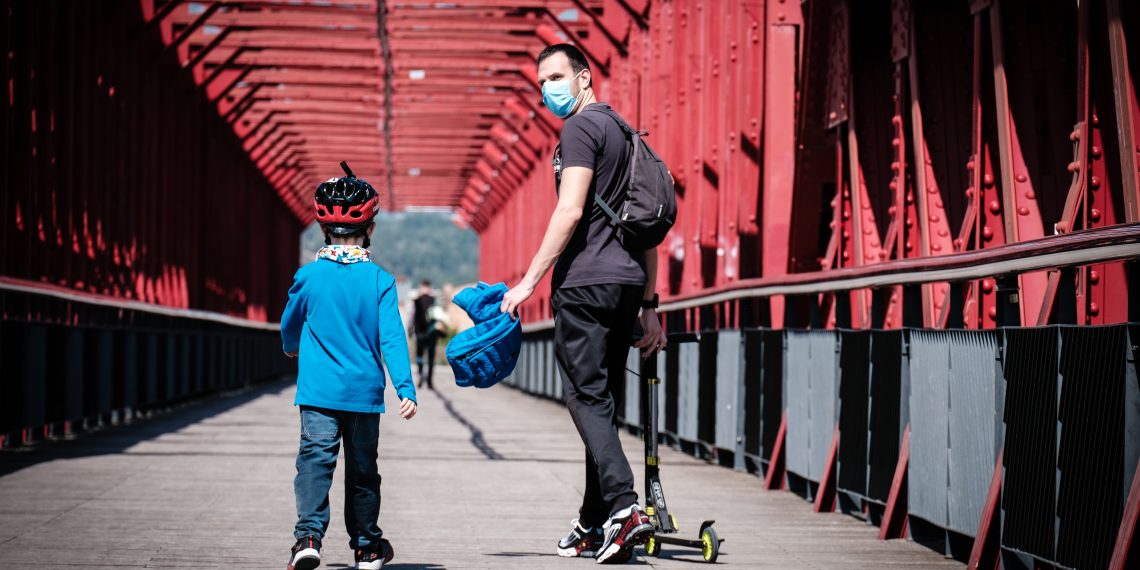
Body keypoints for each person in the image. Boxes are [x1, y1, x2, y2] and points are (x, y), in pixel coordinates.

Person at [499, 43, 668, 564]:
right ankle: (595, 523)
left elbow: (570, 210)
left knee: (584, 398)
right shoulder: (623, 130)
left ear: (583, 76)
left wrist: (528, 281)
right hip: (624, 285)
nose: (547, 88)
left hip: (585, 284)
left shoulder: (578, 128)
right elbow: (645, 230)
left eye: (554, 75)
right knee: (603, 403)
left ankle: (624, 508)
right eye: (541, 80)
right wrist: (649, 303)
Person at [281, 166, 418, 570]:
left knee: (315, 461)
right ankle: (367, 546)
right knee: (362, 470)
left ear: (323, 230)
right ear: (369, 229)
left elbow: (289, 323)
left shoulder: (307, 276)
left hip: (318, 392)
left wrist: (291, 347)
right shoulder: (380, 281)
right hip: (363, 394)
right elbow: (392, 338)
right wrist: (405, 389)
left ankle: (308, 537)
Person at [411, 280, 438, 389]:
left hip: (429, 333)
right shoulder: (418, 300)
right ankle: (423, 378)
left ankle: (429, 380)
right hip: (422, 333)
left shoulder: (433, 300)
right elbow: (413, 316)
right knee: (421, 357)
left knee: (428, 358)